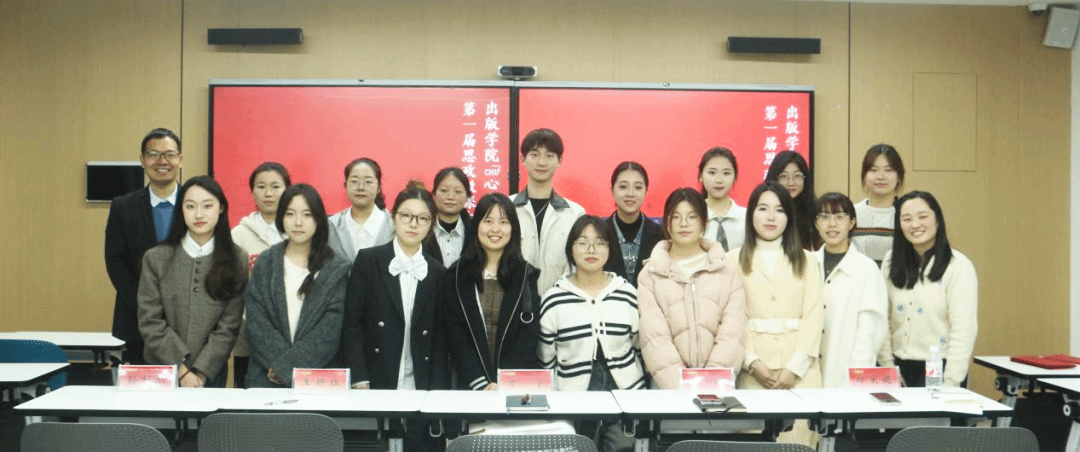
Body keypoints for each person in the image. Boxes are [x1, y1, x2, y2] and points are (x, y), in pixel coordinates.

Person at [342, 181, 448, 450]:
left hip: (420, 383)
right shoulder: (369, 261)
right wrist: (359, 377)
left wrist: (436, 391)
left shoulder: (437, 272)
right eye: (406, 216)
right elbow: (352, 324)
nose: (413, 224)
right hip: (375, 379)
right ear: (394, 217)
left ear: (431, 224)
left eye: (423, 218)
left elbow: (439, 337)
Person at [539, 215, 643, 452]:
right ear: (571, 248)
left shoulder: (627, 293)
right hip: (572, 398)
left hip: (624, 395)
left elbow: (639, 348)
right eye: (582, 242)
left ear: (610, 248)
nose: (591, 250)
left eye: (600, 242)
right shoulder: (554, 298)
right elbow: (545, 360)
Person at [730, 182, 823, 446]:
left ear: (789, 217)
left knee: (798, 446)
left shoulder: (808, 260)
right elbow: (733, 319)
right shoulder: (731, 260)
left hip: (801, 375)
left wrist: (794, 369)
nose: (771, 217)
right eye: (763, 209)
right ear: (751, 214)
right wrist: (752, 363)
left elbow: (814, 316)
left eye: (779, 210)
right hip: (754, 374)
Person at [136, 176, 247, 387]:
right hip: (162, 371)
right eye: (190, 206)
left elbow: (229, 325)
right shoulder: (156, 258)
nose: (198, 214)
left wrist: (203, 371)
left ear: (221, 208)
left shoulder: (237, 259)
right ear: (181, 210)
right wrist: (182, 371)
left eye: (207, 206)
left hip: (212, 373)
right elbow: (150, 321)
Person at [637, 188, 746, 390]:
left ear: (704, 222)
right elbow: (654, 338)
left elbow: (732, 334)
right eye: (676, 217)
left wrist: (711, 382)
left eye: (692, 217)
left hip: (718, 389)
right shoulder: (650, 275)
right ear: (667, 222)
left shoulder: (726, 271)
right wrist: (682, 387)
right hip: (668, 390)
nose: (683, 223)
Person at [244, 184, 350, 388]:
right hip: (266, 375)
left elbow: (330, 331)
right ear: (281, 218)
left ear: (318, 219)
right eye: (290, 214)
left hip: (316, 380)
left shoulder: (336, 268)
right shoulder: (266, 262)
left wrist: (288, 367)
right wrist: (280, 367)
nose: (298, 222)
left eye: (307, 215)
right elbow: (257, 323)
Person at [443, 193, 541, 391]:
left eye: (503, 222)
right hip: (470, 385)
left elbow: (528, 334)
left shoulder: (525, 274)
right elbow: (455, 334)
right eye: (488, 221)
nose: (495, 229)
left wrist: (504, 381)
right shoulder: (457, 274)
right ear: (476, 225)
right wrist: (480, 382)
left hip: (513, 386)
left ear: (513, 228)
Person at [878, 191, 977, 388]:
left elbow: (963, 330)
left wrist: (950, 382)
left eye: (923, 217)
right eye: (907, 219)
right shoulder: (890, 261)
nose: (915, 225)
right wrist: (888, 367)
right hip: (897, 368)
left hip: (939, 368)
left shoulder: (958, 266)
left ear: (938, 220)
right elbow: (882, 319)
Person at [105, 127, 183, 364]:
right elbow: (116, 262)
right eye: (153, 154)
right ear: (142, 160)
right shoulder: (123, 206)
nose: (162, 161)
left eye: (169, 154)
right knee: (143, 386)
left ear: (180, 159)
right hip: (136, 320)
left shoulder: (196, 204)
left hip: (187, 320)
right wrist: (147, 306)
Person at [812, 192, 888, 388]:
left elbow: (869, 332)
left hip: (846, 376)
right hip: (807, 376)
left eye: (840, 217)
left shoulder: (867, 269)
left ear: (852, 222)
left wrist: (856, 376)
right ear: (816, 223)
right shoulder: (807, 263)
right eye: (824, 217)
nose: (832, 224)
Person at [230, 161, 291, 388]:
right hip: (248, 335)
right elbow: (232, 289)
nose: (268, 193)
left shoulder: (298, 231)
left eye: (275, 186)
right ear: (252, 191)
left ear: (288, 190)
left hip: (291, 335)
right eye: (261, 186)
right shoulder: (238, 234)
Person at [513, 128, 585, 294]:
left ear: (560, 161)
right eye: (535, 154)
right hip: (514, 302)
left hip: (561, 302)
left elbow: (578, 267)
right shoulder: (506, 208)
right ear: (523, 159)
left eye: (549, 156)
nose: (542, 162)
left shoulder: (575, 214)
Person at [604, 161, 664, 286]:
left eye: (638, 187)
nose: (630, 194)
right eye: (623, 187)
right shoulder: (599, 234)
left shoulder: (661, 236)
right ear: (612, 191)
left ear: (645, 192)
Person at [328, 158, 394, 261]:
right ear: (345, 185)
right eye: (354, 181)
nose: (361, 187)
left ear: (379, 187)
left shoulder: (393, 225)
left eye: (368, 182)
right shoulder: (332, 225)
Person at [851, 144, 906, 265]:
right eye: (873, 170)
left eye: (888, 170)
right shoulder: (851, 214)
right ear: (864, 176)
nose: (881, 177)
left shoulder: (907, 215)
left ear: (899, 176)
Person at [765, 151, 817, 251]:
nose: (791, 182)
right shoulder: (764, 211)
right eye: (783, 176)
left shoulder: (815, 212)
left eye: (797, 176)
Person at [699, 147, 746, 252]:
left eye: (726, 173)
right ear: (700, 176)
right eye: (712, 172)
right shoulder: (693, 217)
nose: (719, 180)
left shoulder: (748, 217)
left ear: (735, 177)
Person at [425, 166, 471, 267]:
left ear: (467, 196)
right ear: (434, 194)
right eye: (444, 190)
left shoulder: (476, 231)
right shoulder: (421, 228)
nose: (450, 197)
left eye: (457, 192)